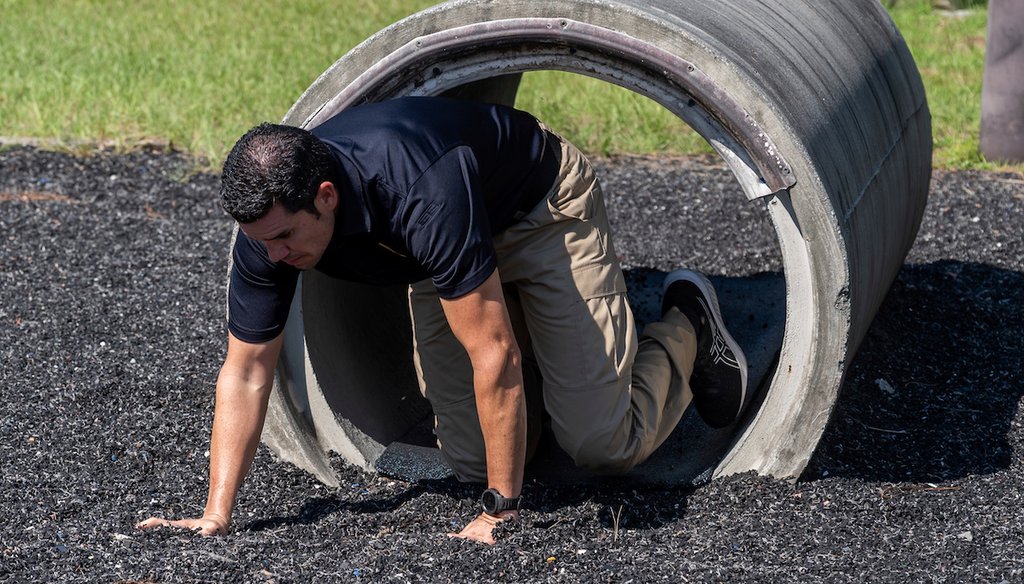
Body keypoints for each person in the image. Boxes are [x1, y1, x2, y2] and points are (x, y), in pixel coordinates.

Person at [136, 96, 749, 545]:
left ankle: (685, 325)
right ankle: (565, 343)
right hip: (434, 259)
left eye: (286, 237)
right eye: (260, 241)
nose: (274, 257)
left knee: (600, 442)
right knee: (470, 459)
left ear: (326, 196)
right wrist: (218, 513)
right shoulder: (267, 233)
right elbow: (245, 373)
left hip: (537, 212)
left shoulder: (415, 188)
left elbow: (494, 355)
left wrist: (499, 509)